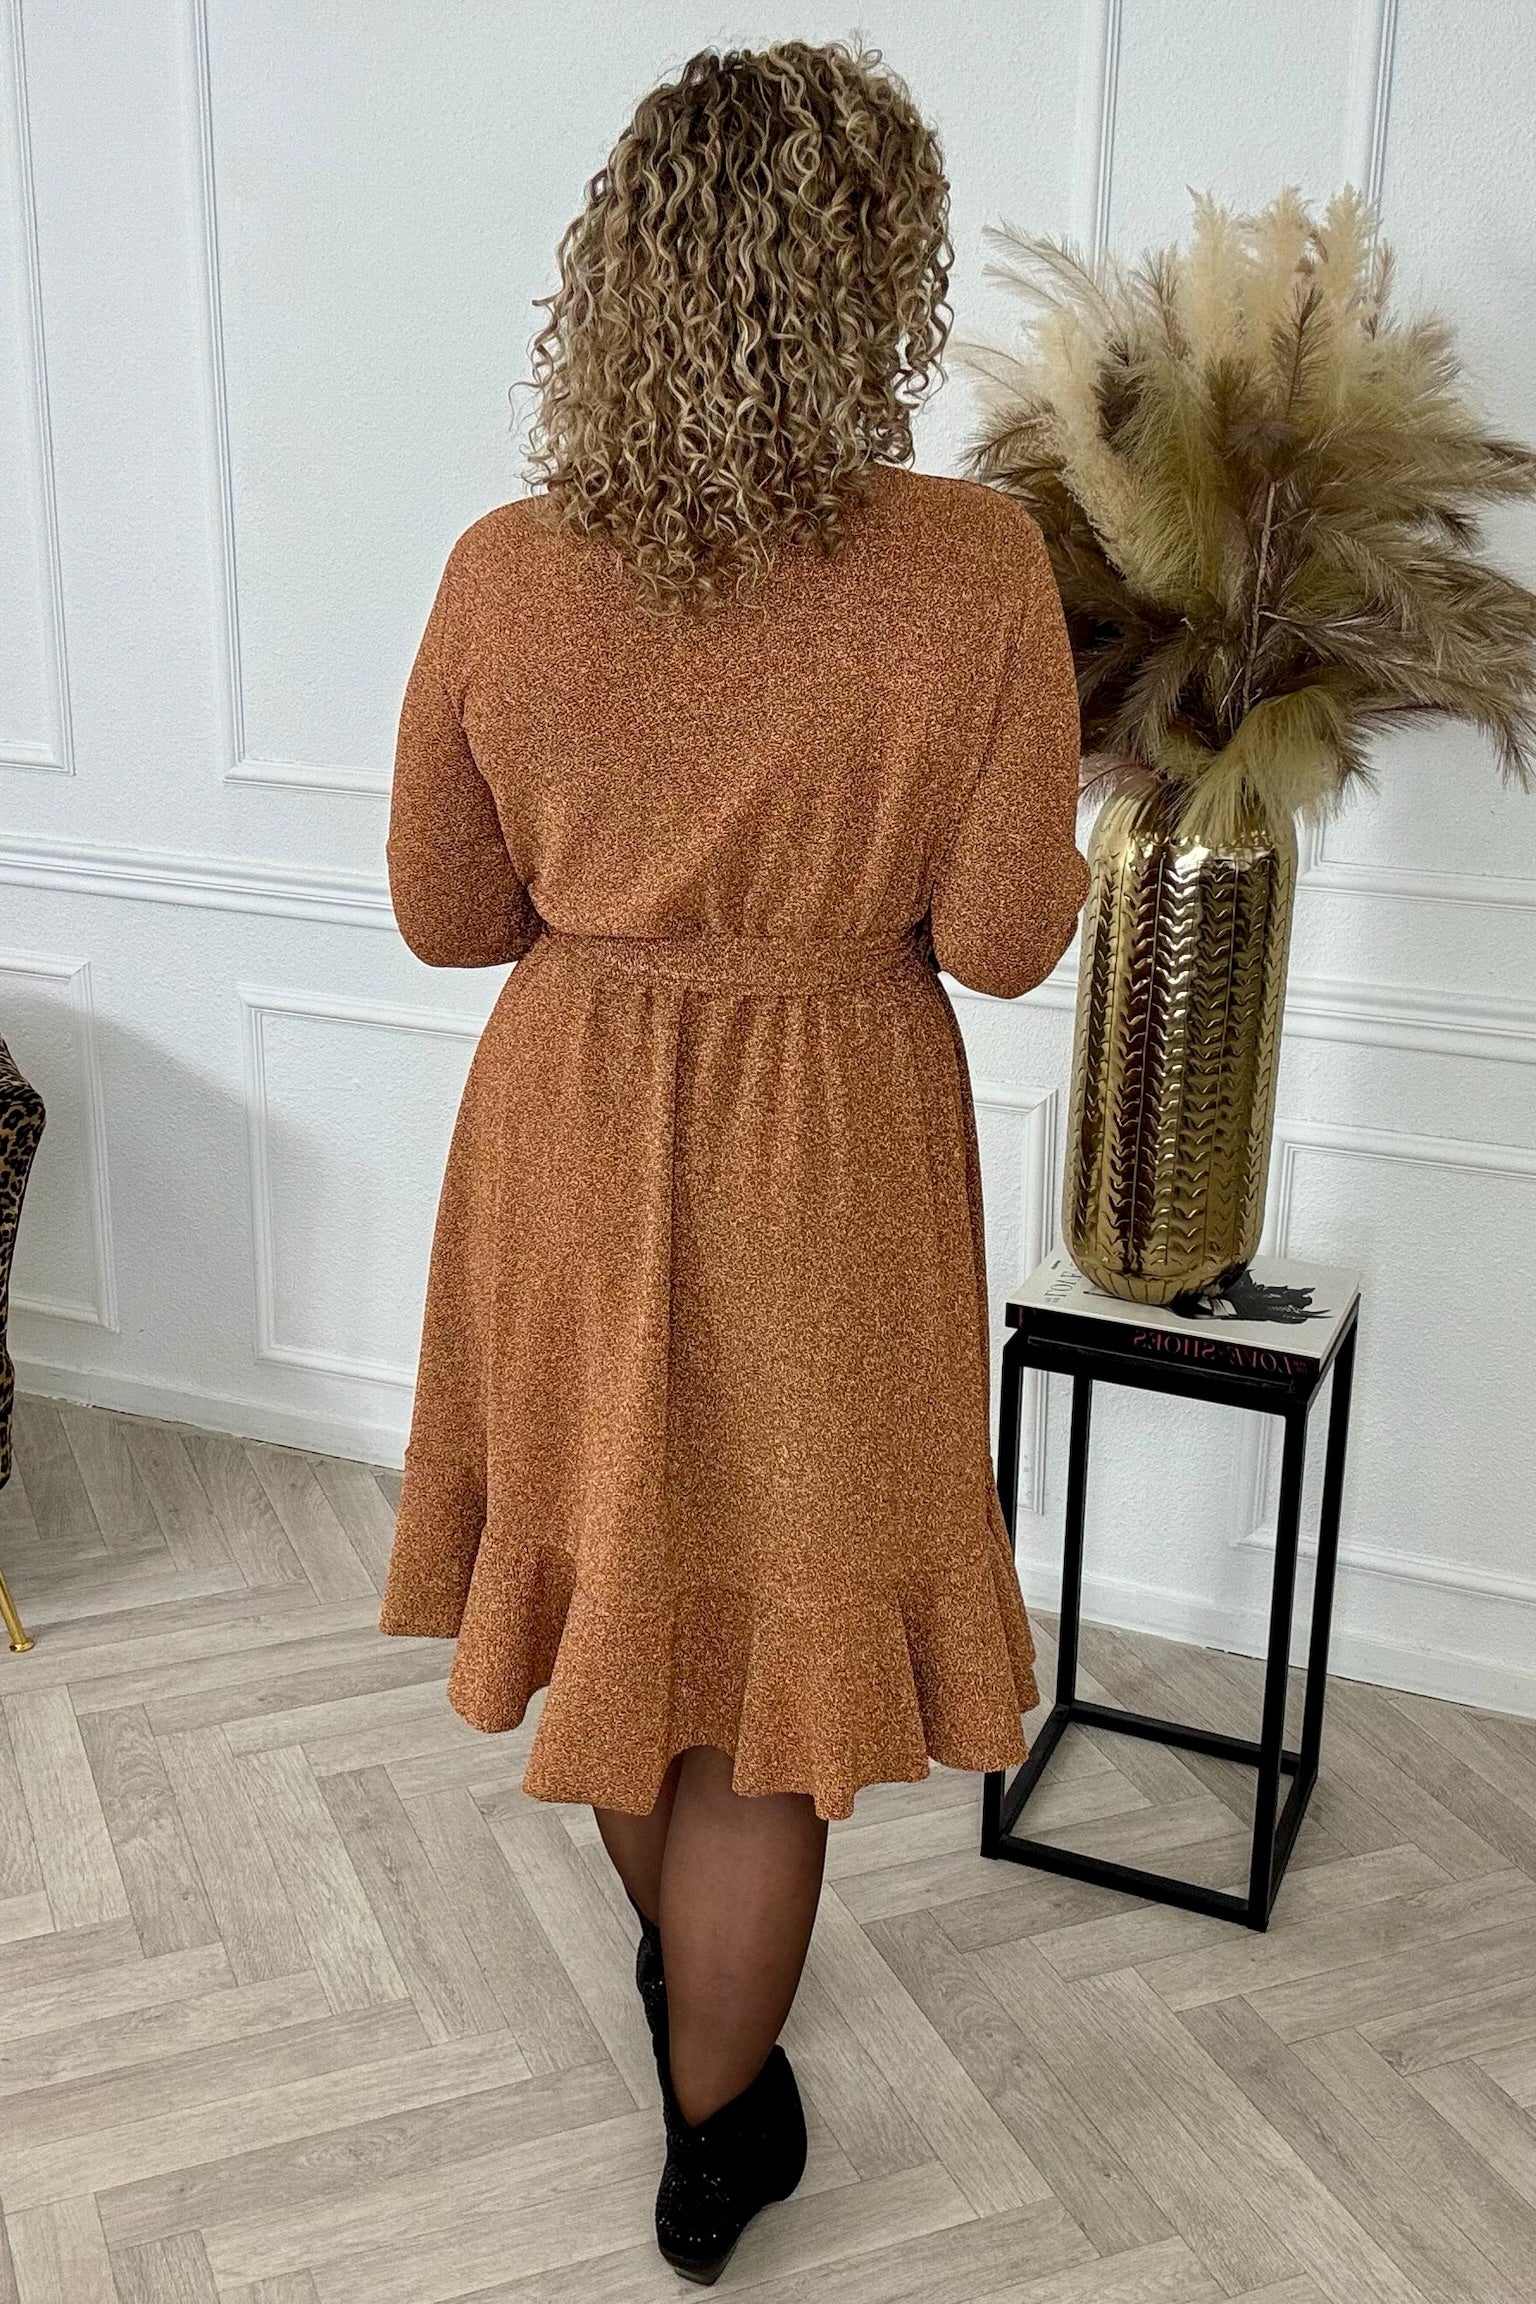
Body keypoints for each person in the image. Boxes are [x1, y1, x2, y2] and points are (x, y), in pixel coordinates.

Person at [377, 35, 1087, 2286]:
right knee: (775, 1662)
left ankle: (709, 2052)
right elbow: (1004, 941)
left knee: (621, 1581)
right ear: (879, 278)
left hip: (573, 1124)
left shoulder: (507, 568)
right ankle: (718, 2119)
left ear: (618, 277)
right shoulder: (975, 568)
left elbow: (446, 915)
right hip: (836, 1147)